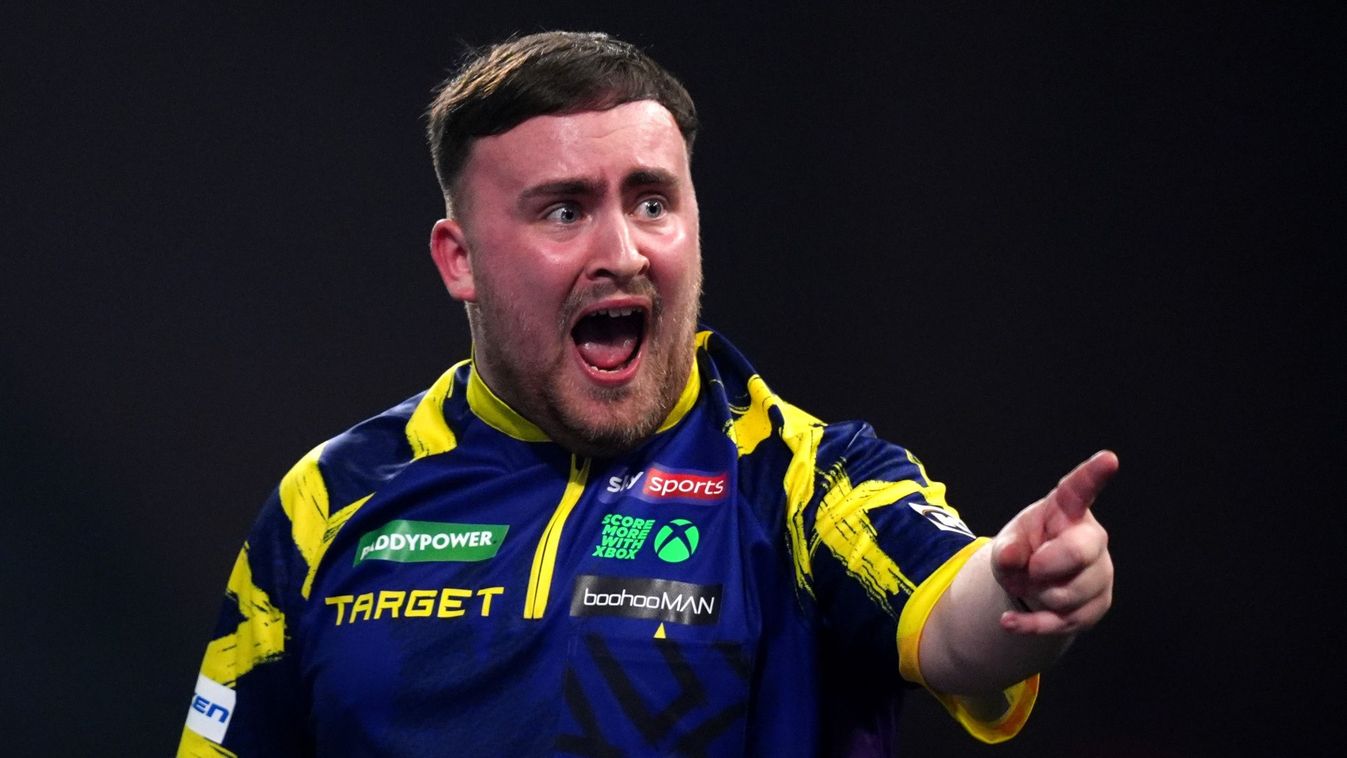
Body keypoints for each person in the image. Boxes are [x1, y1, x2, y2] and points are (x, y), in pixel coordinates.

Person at [179, 30, 1116, 757]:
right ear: (459, 260)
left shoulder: (803, 484)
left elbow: (959, 624)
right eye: (564, 210)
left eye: (652, 202)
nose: (621, 252)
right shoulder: (327, 501)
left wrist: (1019, 586)